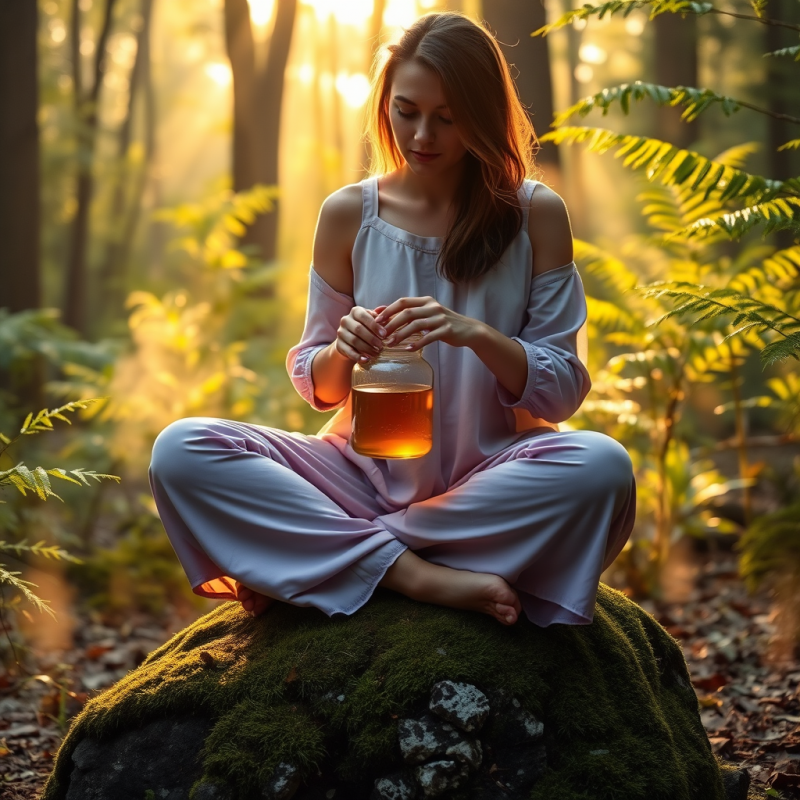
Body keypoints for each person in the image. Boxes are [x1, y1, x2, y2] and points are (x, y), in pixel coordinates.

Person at [149, 11, 636, 629]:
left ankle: (327, 555)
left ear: (483, 117)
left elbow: (563, 389)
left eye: (448, 117)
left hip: (488, 478)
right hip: (357, 475)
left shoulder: (534, 213)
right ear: (385, 105)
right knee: (181, 450)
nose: (422, 135)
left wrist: (476, 334)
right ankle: (414, 573)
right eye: (406, 111)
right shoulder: (349, 213)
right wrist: (342, 352)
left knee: (602, 469)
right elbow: (319, 385)